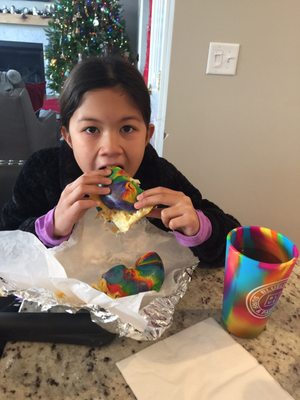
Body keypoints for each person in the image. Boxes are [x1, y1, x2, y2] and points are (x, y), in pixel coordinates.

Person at [0, 57, 239, 266]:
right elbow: (6, 244)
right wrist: (51, 226)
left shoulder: (158, 175)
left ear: (147, 136)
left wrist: (198, 227)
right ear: (68, 137)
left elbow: (234, 240)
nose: (111, 148)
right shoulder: (43, 171)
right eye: (91, 129)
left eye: (127, 128)